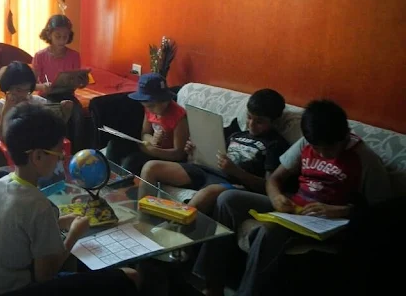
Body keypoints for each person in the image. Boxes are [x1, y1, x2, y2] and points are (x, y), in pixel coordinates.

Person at [195, 100, 393, 296]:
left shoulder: (365, 159)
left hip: (329, 222)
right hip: (295, 208)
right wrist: (276, 196)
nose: (323, 153)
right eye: (317, 148)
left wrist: (344, 211)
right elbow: (275, 178)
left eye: (330, 149)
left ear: (344, 135)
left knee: (268, 231)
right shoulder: (306, 143)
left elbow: (385, 209)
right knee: (227, 199)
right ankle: (213, 285)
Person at [0, 103, 139, 294]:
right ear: (37, 156)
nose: (62, 158)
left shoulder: (0, 184)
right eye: (58, 153)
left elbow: (20, 228)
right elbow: (45, 275)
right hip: (20, 290)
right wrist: (74, 234)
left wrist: (60, 222)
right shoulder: (38, 205)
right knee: (130, 276)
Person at [140, 89, 290, 213]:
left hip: (232, 182)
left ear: (274, 122)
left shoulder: (275, 145)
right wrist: (194, 152)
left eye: (259, 122)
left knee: (206, 194)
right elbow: (213, 151)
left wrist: (236, 171)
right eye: (249, 117)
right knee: (151, 167)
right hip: (205, 170)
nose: (251, 124)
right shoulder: (236, 133)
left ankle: (174, 239)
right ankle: (143, 218)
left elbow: (269, 186)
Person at [106, 73, 188, 175]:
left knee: (132, 162)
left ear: (165, 100)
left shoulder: (178, 116)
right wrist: (152, 140)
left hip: (166, 156)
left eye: (151, 106)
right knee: (114, 145)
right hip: (152, 148)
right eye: (146, 106)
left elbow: (179, 154)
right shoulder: (150, 109)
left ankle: (121, 184)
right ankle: (108, 178)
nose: (149, 109)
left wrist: (152, 150)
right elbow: (145, 134)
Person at [32, 15, 85, 152]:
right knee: (54, 118)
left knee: (79, 117)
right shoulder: (40, 56)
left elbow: (77, 81)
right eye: (58, 36)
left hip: (67, 94)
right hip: (47, 96)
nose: (62, 41)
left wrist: (81, 82)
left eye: (65, 37)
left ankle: (75, 153)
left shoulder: (74, 55)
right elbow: (31, 84)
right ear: (49, 35)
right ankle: (54, 152)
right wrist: (42, 86)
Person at [0, 61, 73, 140]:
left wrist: (65, 114)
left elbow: (55, 132)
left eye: (27, 90)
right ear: (7, 87)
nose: (23, 94)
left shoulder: (38, 102)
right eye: (18, 90)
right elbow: (1, 138)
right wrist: (6, 109)